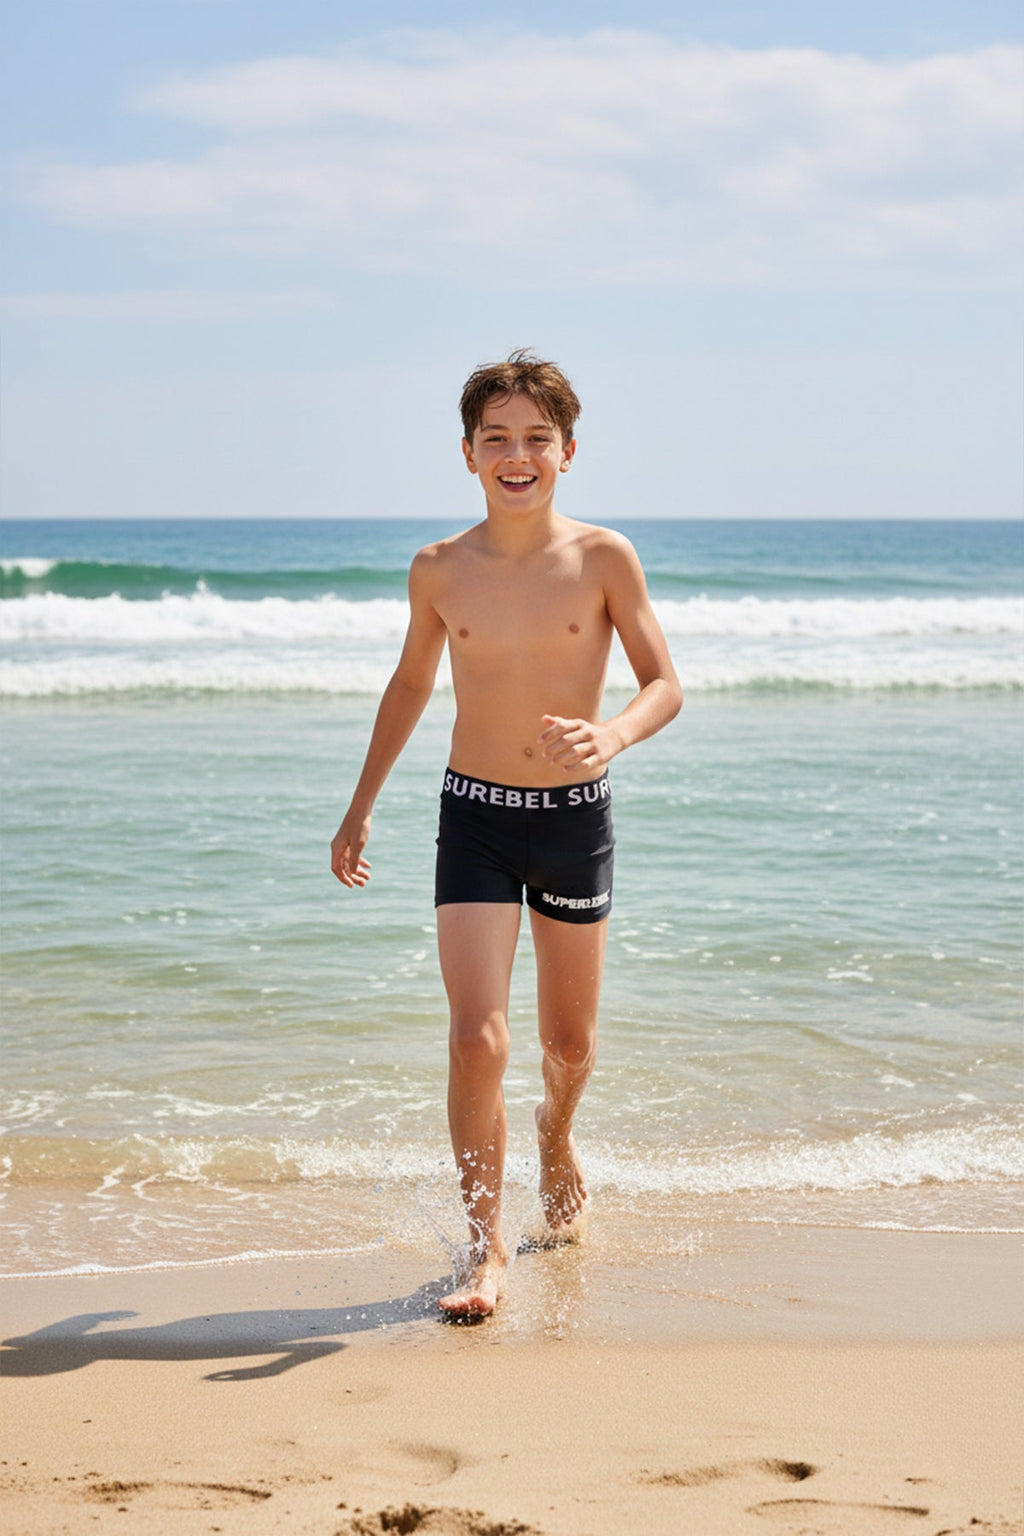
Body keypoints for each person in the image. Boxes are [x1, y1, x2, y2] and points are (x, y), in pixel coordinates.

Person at [331, 350, 682, 1318]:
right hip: (474, 818)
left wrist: (612, 733)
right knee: (476, 1038)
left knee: (568, 1044)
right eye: (497, 439)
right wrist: (360, 805)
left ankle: (555, 1135)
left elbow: (664, 684)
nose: (516, 455)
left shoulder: (604, 558)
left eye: (536, 438)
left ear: (567, 451)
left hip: (572, 821)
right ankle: (485, 1248)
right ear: (468, 453)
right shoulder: (439, 568)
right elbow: (411, 684)